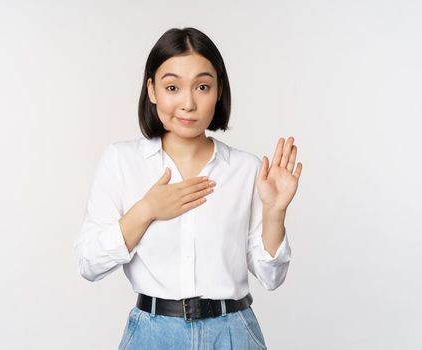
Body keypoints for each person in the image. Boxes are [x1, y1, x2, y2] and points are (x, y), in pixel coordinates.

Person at [74, 27, 303, 350]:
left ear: (218, 90)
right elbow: (89, 263)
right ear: (152, 90)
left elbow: (271, 278)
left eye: (203, 86)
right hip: (153, 335)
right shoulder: (121, 161)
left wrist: (275, 213)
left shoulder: (247, 170)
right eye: (172, 87)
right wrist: (147, 210)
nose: (188, 103)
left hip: (233, 333)